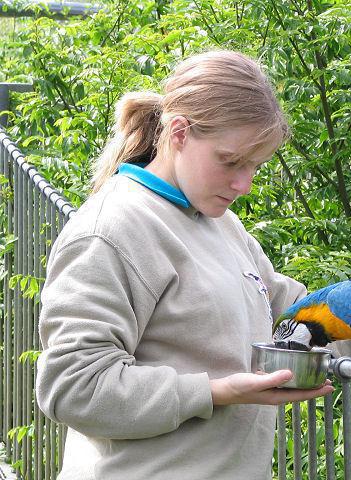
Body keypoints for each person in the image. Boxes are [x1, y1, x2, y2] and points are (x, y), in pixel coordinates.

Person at [35, 49, 335, 480]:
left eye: (254, 166)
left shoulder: (222, 224)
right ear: (178, 133)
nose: (243, 184)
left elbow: (301, 316)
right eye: (230, 161)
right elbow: (73, 387)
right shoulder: (111, 229)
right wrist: (213, 393)